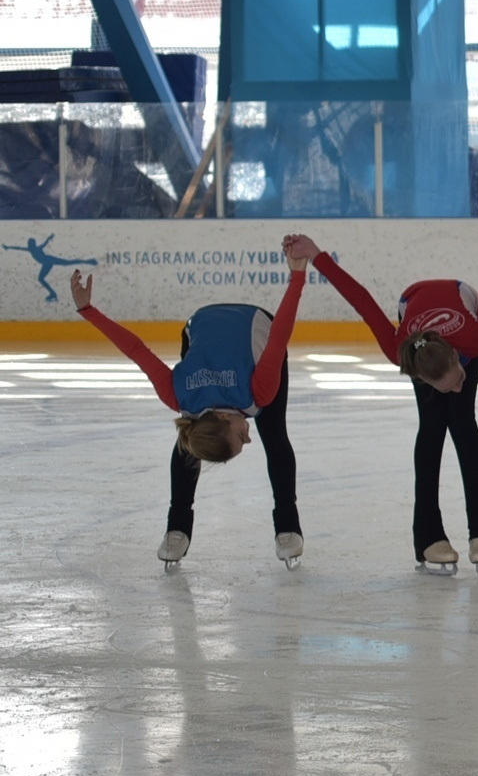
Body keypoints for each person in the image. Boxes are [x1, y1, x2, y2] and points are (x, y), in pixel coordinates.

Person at [74, 235, 314, 570]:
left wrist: (298, 276)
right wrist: (87, 310)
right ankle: (177, 529)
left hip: (255, 322)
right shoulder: (184, 397)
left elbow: (279, 336)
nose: (248, 436)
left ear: (222, 416)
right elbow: (137, 350)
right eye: (245, 440)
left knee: (273, 435)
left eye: (239, 437)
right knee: (199, 440)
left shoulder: (250, 389)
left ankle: (287, 526)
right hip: (200, 329)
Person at [309, 234, 478, 572]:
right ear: (422, 379)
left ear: (459, 360)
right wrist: (316, 256)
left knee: (462, 421)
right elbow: (360, 298)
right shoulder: (401, 350)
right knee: (432, 427)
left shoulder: (477, 340)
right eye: (448, 384)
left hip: (461, 297)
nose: (459, 387)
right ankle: (428, 537)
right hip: (412, 302)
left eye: (460, 378)